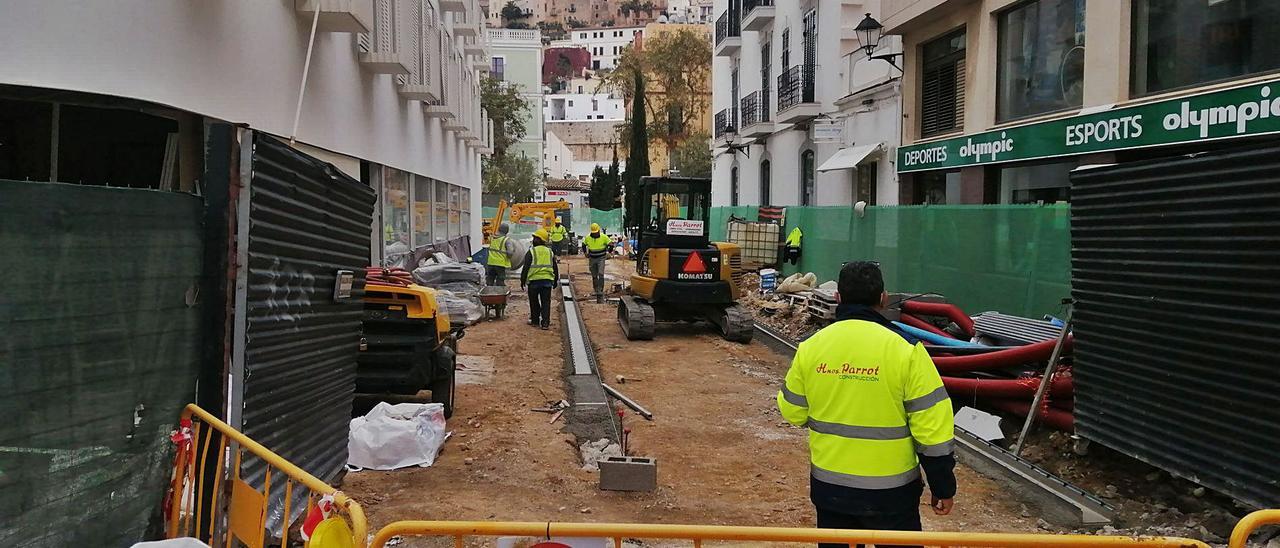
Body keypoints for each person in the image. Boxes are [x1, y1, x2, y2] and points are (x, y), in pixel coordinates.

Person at [776, 261, 955, 548]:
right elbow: (932, 431)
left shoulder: (811, 347)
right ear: (883, 298)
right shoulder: (907, 350)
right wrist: (942, 485)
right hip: (892, 494)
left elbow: (793, 411)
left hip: (830, 490)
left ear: (837, 298)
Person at [520, 229, 559, 330]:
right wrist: (555, 280)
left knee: (534, 302)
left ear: (540, 240)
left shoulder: (531, 252)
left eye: (535, 238)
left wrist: (522, 280)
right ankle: (545, 323)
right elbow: (555, 267)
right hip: (547, 281)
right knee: (546, 302)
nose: (533, 240)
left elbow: (526, 267)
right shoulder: (550, 252)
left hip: (534, 281)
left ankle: (535, 321)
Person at [582, 223, 611, 303]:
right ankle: (596, 289)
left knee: (601, 274)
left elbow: (610, 244)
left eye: (596, 232)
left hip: (601, 258)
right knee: (594, 275)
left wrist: (609, 252)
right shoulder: (588, 238)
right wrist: (585, 253)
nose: (595, 234)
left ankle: (600, 290)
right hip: (592, 258)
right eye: (594, 233)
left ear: (598, 231)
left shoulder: (604, 237)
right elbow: (583, 244)